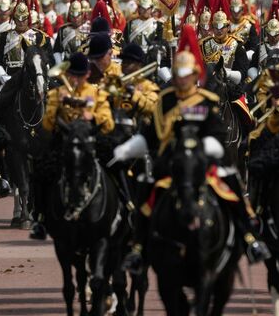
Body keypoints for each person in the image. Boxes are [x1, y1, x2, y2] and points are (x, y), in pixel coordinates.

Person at [112, 39, 270, 274]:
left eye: (186, 74)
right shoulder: (165, 100)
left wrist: (208, 146)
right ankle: (138, 248)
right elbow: (152, 133)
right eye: (178, 74)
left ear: (195, 74)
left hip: (204, 161)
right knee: (146, 192)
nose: (182, 79)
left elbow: (218, 132)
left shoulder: (207, 100)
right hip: (172, 163)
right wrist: (129, 148)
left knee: (232, 185)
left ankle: (249, 238)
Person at [30, 52, 114, 240]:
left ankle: (125, 208)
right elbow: (47, 125)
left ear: (87, 75)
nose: (75, 79)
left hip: (90, 142)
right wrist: (56, 107)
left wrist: (93, 117)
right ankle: (40, 218)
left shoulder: (96, 94)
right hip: (64, 143)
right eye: (72, 75)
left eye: (79, 75)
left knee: (116, 166)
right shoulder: (56, 93)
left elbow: (108, 124)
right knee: (41, 170)